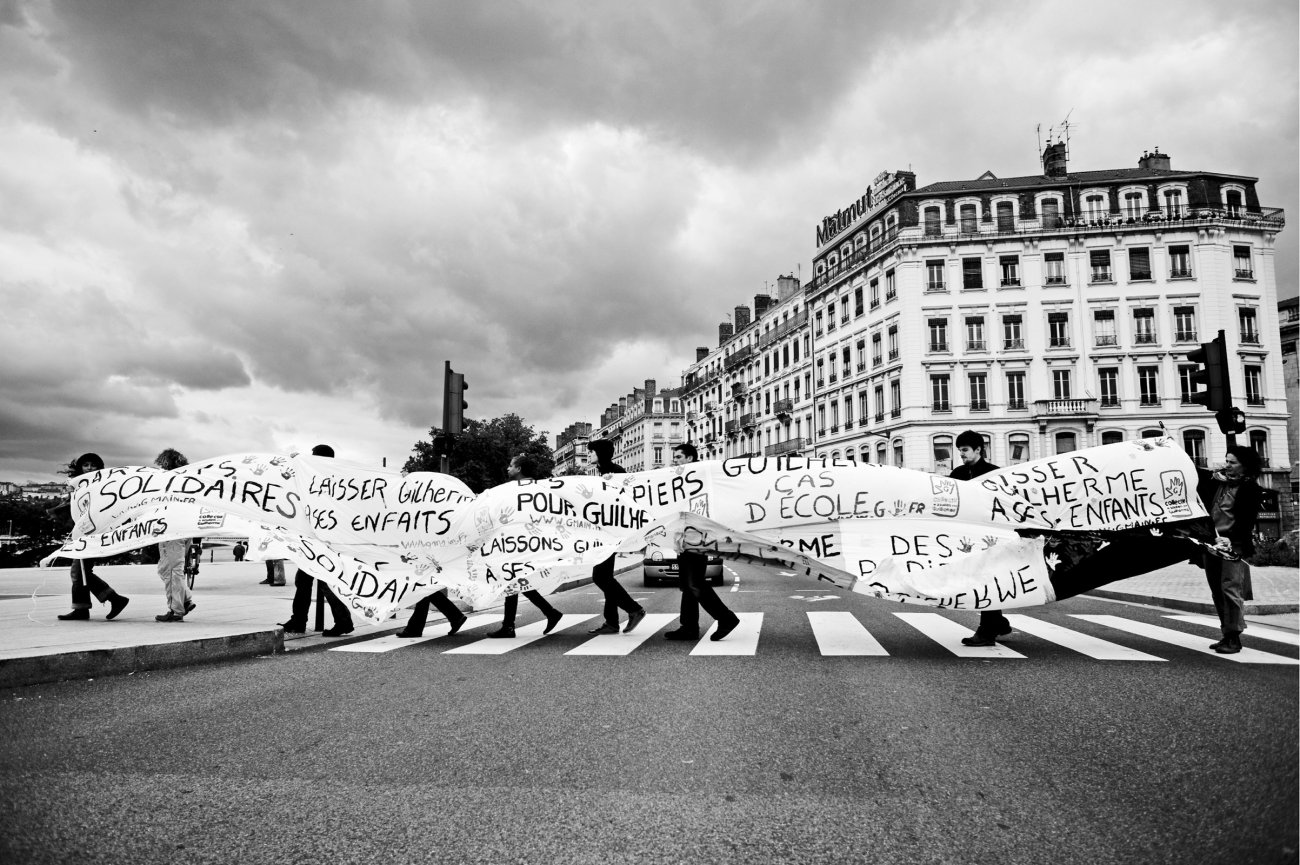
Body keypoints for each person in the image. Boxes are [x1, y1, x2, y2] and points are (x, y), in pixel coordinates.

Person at [664, 443, 740, 642]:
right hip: (686, 539)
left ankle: (726, 618)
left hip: (697, 538)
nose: (675, 460)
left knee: (695, 584)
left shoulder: (699, 478)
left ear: (690, 458)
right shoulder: (683, 479)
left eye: (679, 457)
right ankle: (688, 627)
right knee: (688, 586)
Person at [279, 445, 356, 637]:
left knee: (324, 583)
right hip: (316, 539)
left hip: (323, 540)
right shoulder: (328, 475)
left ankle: (342, 621)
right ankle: (299, 620)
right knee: (305, 581)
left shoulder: (325, 475)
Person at [487, 452, 564, 638]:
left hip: (519, 545)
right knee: (516, 582)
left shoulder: (513, 490)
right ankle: (548, 613)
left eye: (511, 465)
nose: (508, 468)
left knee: (513, 581)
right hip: (523, 544)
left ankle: (511, 625)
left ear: (519, 469)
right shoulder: (539, 489)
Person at [1195, 446, 1263, 655]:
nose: (1227, 465)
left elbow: (1247, 522)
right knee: (1217, 591)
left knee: (1230, 591)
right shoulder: (1218, 483)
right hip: (1212, 545)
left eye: (1232, 462)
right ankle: (1226, 634)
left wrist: (1231, 540)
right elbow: (1197, 473)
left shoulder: (1250, 489)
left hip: (1232, 547)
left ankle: (1234, 638)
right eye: (1227, 461)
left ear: (1245, 466)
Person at [54, 453, 130, 621]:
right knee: (80, 571)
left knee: (79, 571)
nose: (89, 468)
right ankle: (85, 608)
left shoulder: (101, 484)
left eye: (93, 465)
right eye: (86, 465)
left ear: (98, 468)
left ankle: (113, 599)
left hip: (94, 532)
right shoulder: (77, 485)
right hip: (82, 531)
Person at [949, 431, 1008, 647]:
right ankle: (997, 622)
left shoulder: (994, 474)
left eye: (964, 450)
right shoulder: (957, 473)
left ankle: (987, 630)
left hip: (991, 539)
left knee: (987, 581)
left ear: (978, 450)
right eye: (960, 451)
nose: (961, 455)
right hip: (967, 540)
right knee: (978, 581)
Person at [584, 439, 647, 635]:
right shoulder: (603, 472)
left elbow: (628, 498)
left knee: (600, 576)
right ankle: (611, 622)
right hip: (604, 532)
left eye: (592, 451)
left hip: (611, 533)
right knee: (606, 577)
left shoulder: (616, 472)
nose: (590, 455)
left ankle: (634, 609)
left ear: (600, 453)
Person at [153, 449, 196, 623]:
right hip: (179, 530)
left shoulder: (171, 483)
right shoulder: (188, 482)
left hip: (172, 530)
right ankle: (185, 600)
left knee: (171, 571)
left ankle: (176, 609)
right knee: (167, 569)